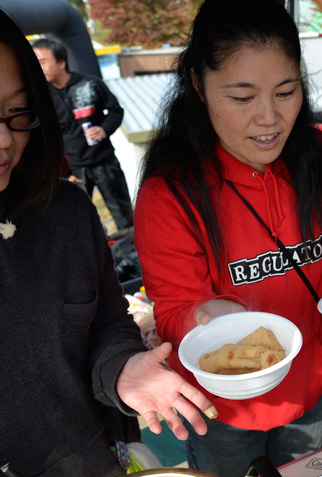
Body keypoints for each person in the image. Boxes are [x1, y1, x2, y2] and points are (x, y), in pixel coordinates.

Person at [132, 0, 322, 474]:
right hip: (221, 402)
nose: (270, 119)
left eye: (286, 92)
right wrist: (206, 314)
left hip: (310, 384)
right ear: (198, 85)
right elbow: (174, 304)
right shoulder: (170, 193)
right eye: (242, 98)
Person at [0, 9, 216, 477]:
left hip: (88, 456)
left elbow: (105, 324)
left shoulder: (67, 213)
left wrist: (121, 367)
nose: (3, 140)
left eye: (17, 112)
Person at [32, 38, 134, 231]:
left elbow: (115, 111)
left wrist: (104, 129)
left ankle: (131, 256)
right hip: (74, 171)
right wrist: (64, 172)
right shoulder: (42, 96)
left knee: (124, 217)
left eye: (42, 61)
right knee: (79, 223)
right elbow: (46, 138)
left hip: (105, 162)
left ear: (61, 62)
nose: (39, 67)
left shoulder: (90, 84)